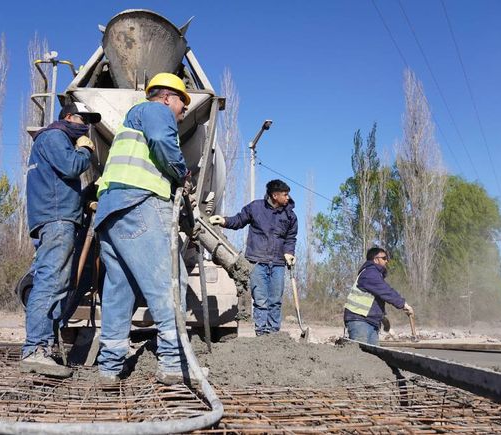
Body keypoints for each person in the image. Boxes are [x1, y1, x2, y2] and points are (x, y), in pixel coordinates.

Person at [93, 72, 192, 385]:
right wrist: (181, 173)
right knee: (170, 281)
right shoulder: (155, 110)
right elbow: (162, 140)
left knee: (119, 290)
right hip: (139, 203)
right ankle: (173, 364)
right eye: (182, 102)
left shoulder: (129, 122)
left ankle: (109, 368)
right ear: (166, 97)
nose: (184, 110)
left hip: (111, 210)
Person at [20, 102, 101, 377]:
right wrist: (85, 150)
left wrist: (87, 196)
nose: (86, 126)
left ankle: (44, 346)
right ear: (68, 117)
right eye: (82, 119)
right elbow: (71, 166)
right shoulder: (55, 136)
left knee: (58, 283)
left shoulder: (52, 140)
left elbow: (60, 181)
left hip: (56, 216)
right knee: (51, 282)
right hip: (56, 219)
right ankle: (35, 349)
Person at [208, 179, 298, 336]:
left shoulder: (290, 215)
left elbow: (291, 237)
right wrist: (223, 221)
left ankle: (274, 334)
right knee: (260, 300)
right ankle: (261, 333)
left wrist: (289, 252)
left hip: (278, 263)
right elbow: (239, 220)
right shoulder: (255, 207)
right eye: (285, 194)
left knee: (275, 300)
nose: (288, 197)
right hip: (257, 262)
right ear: (275, 195)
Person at [343, 247, 414, 345]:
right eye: (384, 258)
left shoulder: (375, 274)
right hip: (359, 320)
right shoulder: (369, 273)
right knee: (360, 351)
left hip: (370, 322)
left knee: (372, 353)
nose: (386, 261)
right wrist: (403, 304)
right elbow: (386, 291)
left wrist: (384, 320)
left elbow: (374, 302)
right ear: (376, 260)